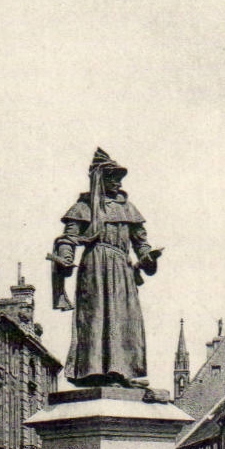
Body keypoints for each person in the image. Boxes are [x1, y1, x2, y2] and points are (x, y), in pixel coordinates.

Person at [49, 149, 162, 387]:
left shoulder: (128, 208)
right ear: (100, 179)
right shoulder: (84, 206)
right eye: (113, 177)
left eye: (120, 178)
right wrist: (66, 256)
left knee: (124, 318)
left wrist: (147, 256)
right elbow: (68, 238)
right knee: (95, 316)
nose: (118, 183)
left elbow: (141, 242)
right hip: (95, 268)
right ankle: (93, 372)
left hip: (122, 270)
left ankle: (121, 372)